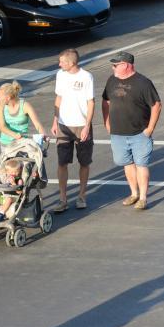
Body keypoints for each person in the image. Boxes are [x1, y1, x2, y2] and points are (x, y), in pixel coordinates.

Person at [102, 52, 161, 211]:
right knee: (127, 163)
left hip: (139, 133)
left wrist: (150, 129)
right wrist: (106, 122)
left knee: (141, 164)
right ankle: (134, 193)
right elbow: (106, 101)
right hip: (118, 133)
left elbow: (156, 105)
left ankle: (143, 198)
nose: (112, 67)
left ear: (126, 65)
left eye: (115, 65)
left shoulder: (143, 83)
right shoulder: (112, 80)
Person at [51, 49, 94, 213]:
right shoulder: (60, 75)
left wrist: (87, 125)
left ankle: (82, 196)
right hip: (63, 125)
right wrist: (55, 120)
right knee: (62, 162)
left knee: (84, 162)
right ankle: (63, 199)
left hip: (81, 125)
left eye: (62, 61)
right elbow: (58, 98)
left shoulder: (86, 77)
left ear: (71, 63)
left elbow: (91, 102)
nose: (59, 64)